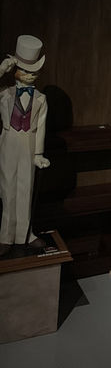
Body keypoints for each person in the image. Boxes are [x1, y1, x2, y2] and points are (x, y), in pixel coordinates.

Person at [0, 35, 50, 255]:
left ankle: (25, 234)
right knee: (8, 189)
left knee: (25, 188)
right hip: (8, 142)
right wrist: (1, 69)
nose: (31, 75)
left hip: (28, 143)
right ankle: (5, 236)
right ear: (15, 69)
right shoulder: (5, 94)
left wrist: (38, 154)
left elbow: (40, 127)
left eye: (34, 71)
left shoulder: (40, 99)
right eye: (25, 70)